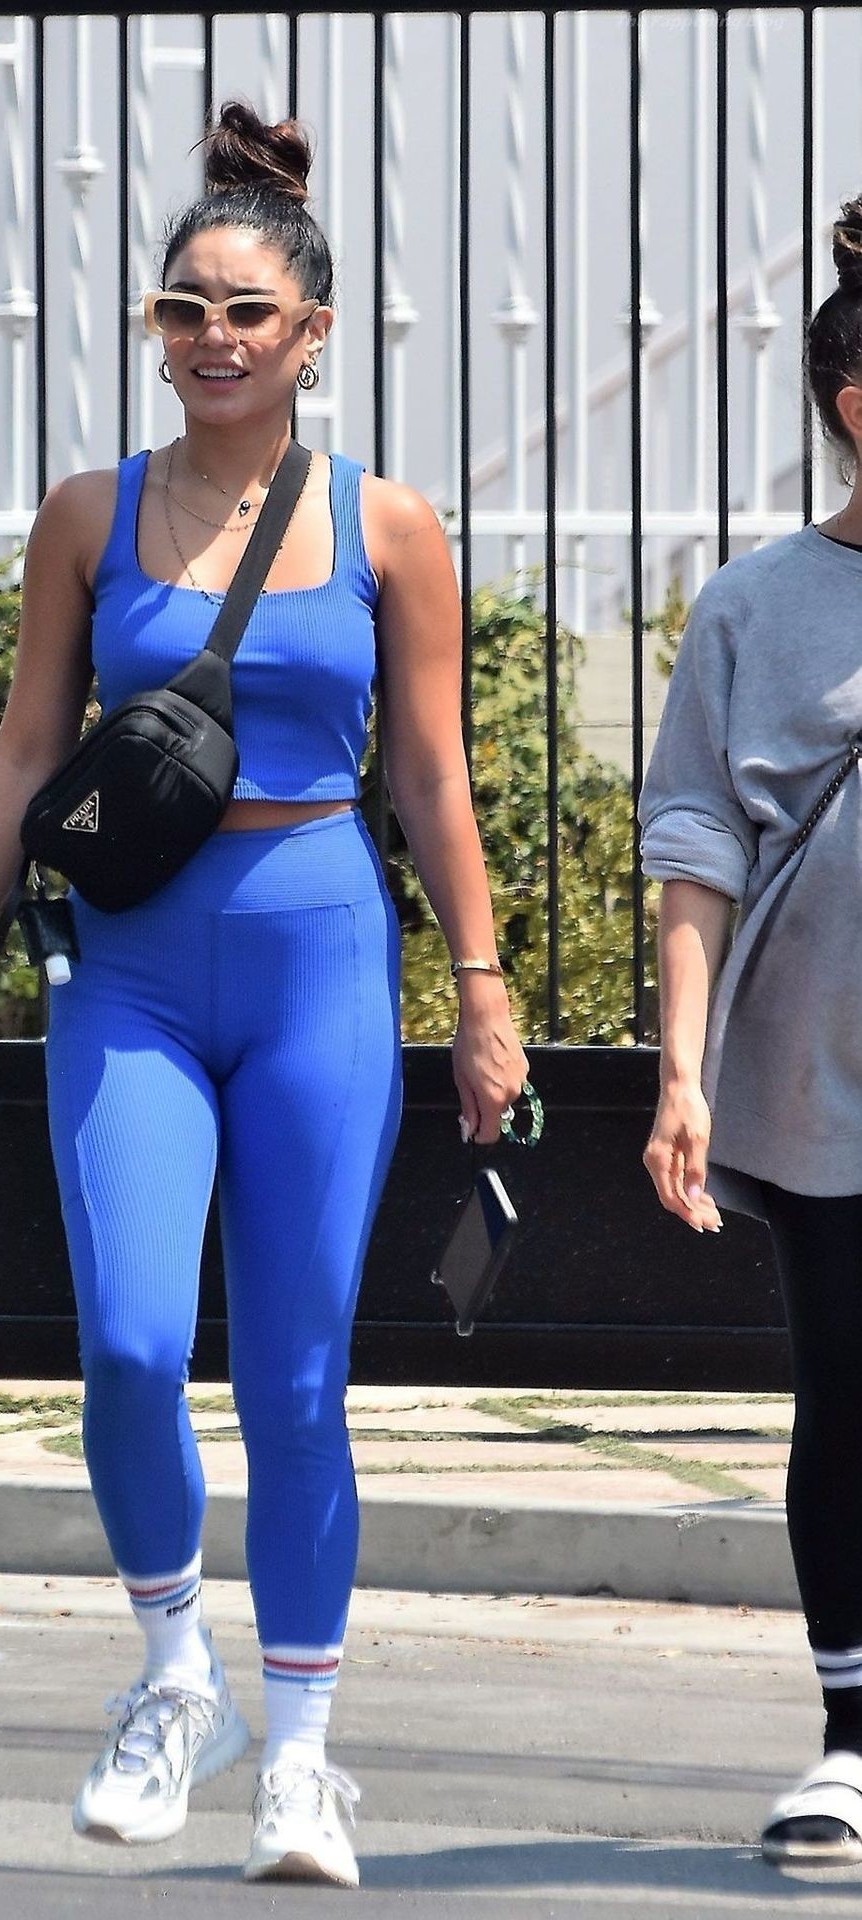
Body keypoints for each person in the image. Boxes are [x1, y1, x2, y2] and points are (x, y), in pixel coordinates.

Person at [0, 98, 527, 1888]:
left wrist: (480, 988)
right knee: (127, 1345)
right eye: (184, 308)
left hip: (319, 948)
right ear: (155, 327)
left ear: (309, 333)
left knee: (300, 1379)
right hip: (133, 970)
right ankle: (178, 1674)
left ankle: (304, 1754)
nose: (212, 337)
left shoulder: (387, 524)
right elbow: (26, 757)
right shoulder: (86, 514)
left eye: (247, 311)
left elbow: (430, 776)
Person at [640, 196, 862, 1869]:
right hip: (815, 1073)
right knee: (844, 1396)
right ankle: (851, 1739)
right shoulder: (752, 606)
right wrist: (677, 1074)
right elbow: (696, 845)